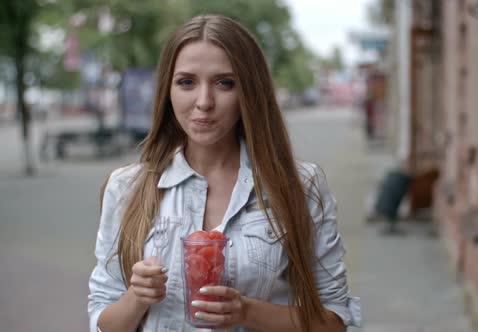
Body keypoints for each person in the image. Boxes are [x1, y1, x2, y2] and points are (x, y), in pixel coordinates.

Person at [88, 15, 361, 332]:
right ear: (167, 90)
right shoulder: (127, 188)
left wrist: (247, 311)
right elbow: (101, 319)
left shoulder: (299, 186)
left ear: (250, 91)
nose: (204, 102)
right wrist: (136, 298)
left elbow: (335, 321)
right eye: (187, 82)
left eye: (224, 83)